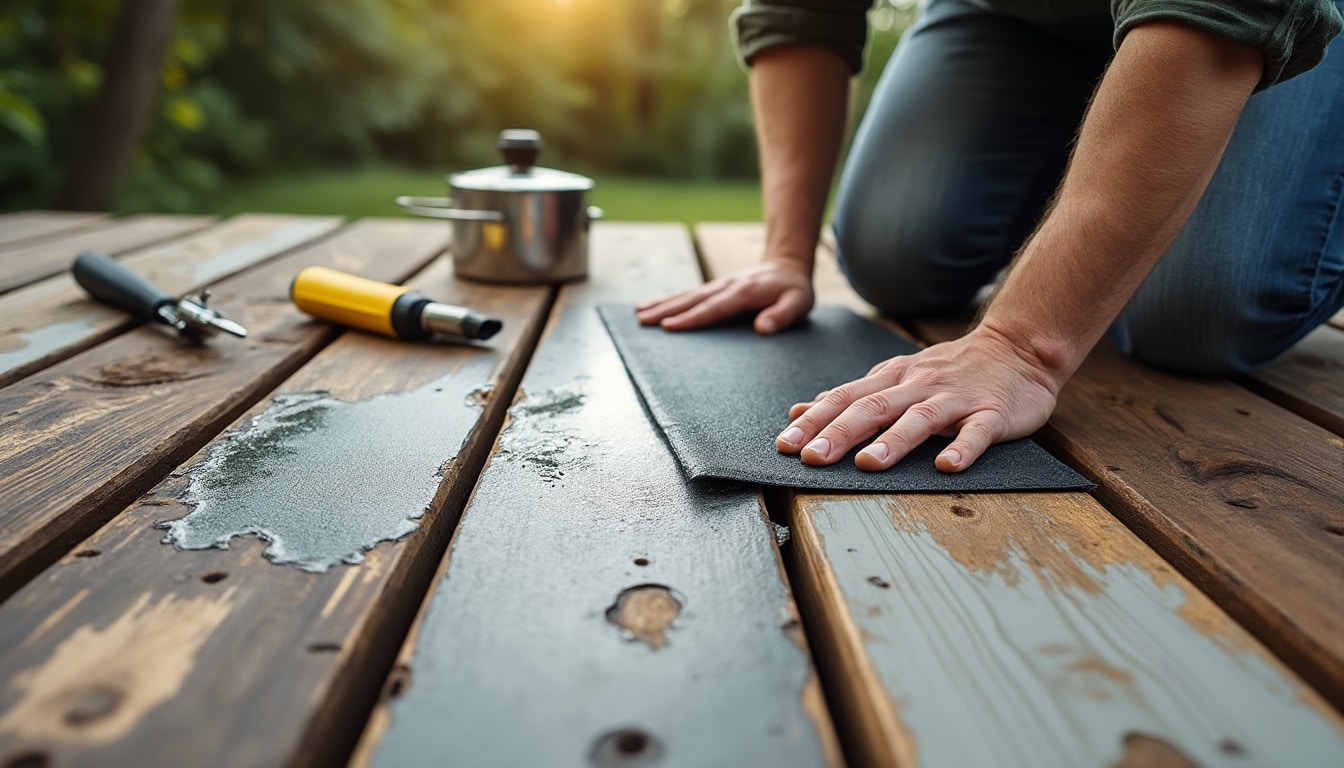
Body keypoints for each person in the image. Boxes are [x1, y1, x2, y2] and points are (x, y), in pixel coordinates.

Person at [636, 0, 1344, 474]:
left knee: (1197, 314)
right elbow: (801, 12)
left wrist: (1022, 345)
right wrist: (786, 255)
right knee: (896, 254)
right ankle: (1106, 157)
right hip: (1016, 16)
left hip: (1274, 16)